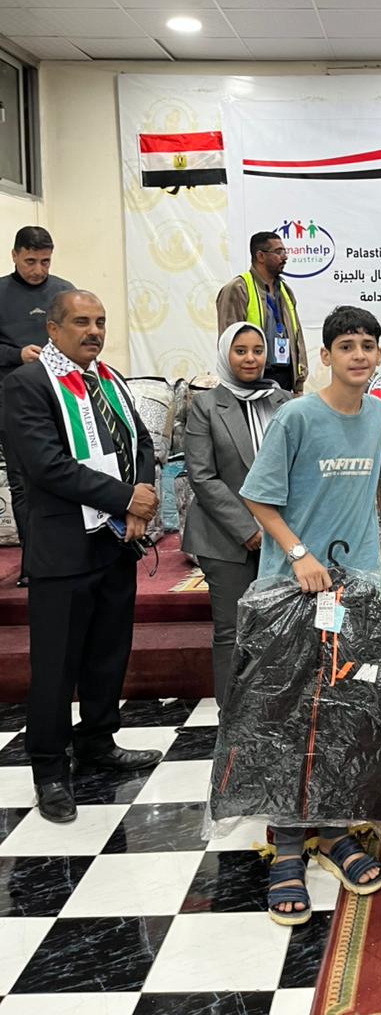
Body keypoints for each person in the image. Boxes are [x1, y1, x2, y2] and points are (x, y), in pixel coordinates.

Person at [240, 305, 381, 925]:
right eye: (346, 345)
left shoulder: (376, 411)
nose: (359, 355)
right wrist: (299, 554)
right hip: (295, 590)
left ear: (379, 356)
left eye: (367, 346)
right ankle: (287, 848)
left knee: (345, 712)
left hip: (358, 587)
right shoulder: (296, 416)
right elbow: (257, 498)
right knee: (290, 719)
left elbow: (363, 437)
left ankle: (333, 831)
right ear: (326, 356)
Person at [2, 291, 161, 824]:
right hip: (63, 548)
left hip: (115, 542)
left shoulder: (109, 379)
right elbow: (47, 465)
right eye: (81, 322)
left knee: (107, 654)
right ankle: (49, 770)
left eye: (100, 321)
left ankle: (98, 740)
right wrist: (126, 498)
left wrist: (139, 499)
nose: (94, 331)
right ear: (52, 329)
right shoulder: (28, 384)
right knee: (55, 666)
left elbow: (141, 442)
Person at [183, 322, 289, 707]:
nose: (250, 358)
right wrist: (248, 529)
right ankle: (233, 717)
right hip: (225, 537)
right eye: (240, 350)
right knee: (232, 630)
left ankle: (272, 712)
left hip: (283, 535)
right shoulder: (206, 405)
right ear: (225, 354)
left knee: (281, 627)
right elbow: (202, 476)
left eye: (257, 350)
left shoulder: (284, 401)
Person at [0, 226, 74, 584]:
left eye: (45, 261)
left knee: (69, 474)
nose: (38, 270)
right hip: (13, 402)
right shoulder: (0, 293)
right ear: (14, 255)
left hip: (61, 397)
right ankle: (34, 566)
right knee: (23, 483)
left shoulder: (64, 292)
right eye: (30, 261)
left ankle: (69, 557)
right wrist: (17, 355)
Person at [216, 232, 308, 394]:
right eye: (279, 252)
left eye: (285, 252)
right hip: (251, 384)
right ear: (260, 256)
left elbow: (297, 337)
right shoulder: (238, 289)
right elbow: (227, 342)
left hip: (285, 382)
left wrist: (298, 384)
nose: (285, 257)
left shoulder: (285, 290)